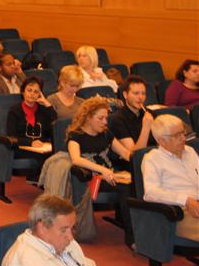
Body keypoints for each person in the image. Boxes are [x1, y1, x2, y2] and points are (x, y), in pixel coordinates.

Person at [67, 97, 133, 245]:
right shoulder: (76, 135)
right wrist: (102, 170)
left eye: (106, 118)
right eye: (101, 118)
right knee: (126, 188)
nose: (105, 122)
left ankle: (136, 228)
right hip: (91, 179)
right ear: (88, 118)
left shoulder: (106, 133)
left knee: (135, 183)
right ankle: (132, 237)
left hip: (109, 176)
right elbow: (76, 159)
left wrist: (143, 163)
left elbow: (124, 152)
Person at [1, 193, 104, 266]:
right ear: (42, 228)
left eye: (72, 228)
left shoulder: (65, 243)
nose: (71, 237)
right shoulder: (27, 264)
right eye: (63, 230)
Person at [142, 114, 199, 242]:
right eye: (177, 135)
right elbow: (150, 193)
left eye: (183, 133)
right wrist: (186, 200)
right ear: (162, 141)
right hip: (180, 212)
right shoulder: (152, 159)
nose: (183, 138)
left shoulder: (190, 151)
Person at [7, 77, 57, 149]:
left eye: (36, 91)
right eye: (29, 90)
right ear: (23, 91)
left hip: (43, 149)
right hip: (23, 149)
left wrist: (47, 104)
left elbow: (55, 125)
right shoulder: (14, 111)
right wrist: (30, 143)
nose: (32, 94)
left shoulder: (43, 110)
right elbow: (11, 137)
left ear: (39, 94)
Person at [111, 75, 154, 154]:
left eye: (143, 93)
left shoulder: (151, 114)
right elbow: (135, 154)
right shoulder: (117, 119)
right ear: (125, 95)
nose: (140, 97)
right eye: (136, 93)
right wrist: (146, 127)